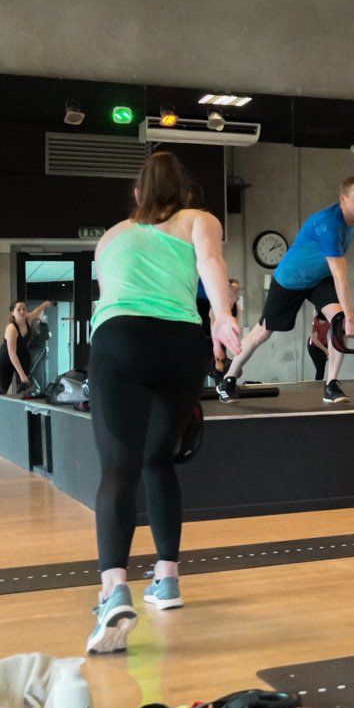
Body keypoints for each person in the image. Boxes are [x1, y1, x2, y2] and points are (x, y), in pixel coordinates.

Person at [84, 149, 239, 654]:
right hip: (180, 345)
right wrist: (221, 315)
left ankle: (113, 592)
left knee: (118, 468)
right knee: (159, 461)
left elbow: (110, 292)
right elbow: (210, 263)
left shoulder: (112, 235)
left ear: (137, 195)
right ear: (185, 192)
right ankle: (166, 579)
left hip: (120, 339)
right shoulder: (200, 219)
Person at [217, 176, 354, 404]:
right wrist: (351, 317)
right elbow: (340, 276)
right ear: (342, 199)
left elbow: (333, 272)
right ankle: (228, 380)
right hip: (290, 279)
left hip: (318, 278)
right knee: (263, 331)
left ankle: (331, 385)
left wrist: (344, 318)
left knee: (336, 322)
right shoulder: (329, 224)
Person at [0, 299, 52, 398]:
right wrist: (21, 374)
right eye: (18, 310)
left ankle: (20, 409)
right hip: (6, 358)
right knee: (3, 387)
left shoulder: (28, 319)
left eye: (24, 309)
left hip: (22, 355)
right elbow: (12, 354)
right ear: (12, 312)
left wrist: (46, 303)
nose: (22, 312)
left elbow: (37, 311)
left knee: (24, 386)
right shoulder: (11, 328)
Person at [197, 277, 241, 382]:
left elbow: (233, 326)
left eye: (236, 289)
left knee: (224, 370)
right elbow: (214, 327)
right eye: (232, 288)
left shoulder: (237, 307)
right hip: (209, 338)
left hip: (222, 339)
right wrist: (217, 357)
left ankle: (222, 388)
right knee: (210, 366)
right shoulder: (216, 305)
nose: (234, 291)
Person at [307, 312, 330, 381]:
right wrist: (325, 350)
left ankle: (319, 385)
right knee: (320, 369)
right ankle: (317, 386)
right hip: (314, 347)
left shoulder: (329, 320)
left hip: (324, 345)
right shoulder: (316, 321)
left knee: (322, 369)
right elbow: (314, 339)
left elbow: (332, 333)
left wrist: (328, 349)